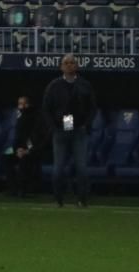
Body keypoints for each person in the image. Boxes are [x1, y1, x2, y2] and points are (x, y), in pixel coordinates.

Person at [42, 54, 97, 208]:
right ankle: (59, 199)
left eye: (72, 63)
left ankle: (82, 199)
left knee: (81, 168)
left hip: (79, 130)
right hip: (60, 130)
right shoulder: (54, 85)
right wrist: (53, 126)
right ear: (61, 66)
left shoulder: (84, 85)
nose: (69, 65)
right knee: (58, 168)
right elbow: (46, 108)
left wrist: (86, 124)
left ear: (77, 66)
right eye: (66, 63)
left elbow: (92, 108)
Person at [3, 95, 44, 198]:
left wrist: (26, 150)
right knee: (6, 158)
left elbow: (33, 137)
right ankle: (13, 189)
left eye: (22, 104)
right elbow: (19, 137)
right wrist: (17, 149)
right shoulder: (21, 117)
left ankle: (22, 189)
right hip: (19, 148)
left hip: (31, 150)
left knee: (24, 161)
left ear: (27, 105)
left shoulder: (35, 117)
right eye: (19, 103)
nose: (19, 106)